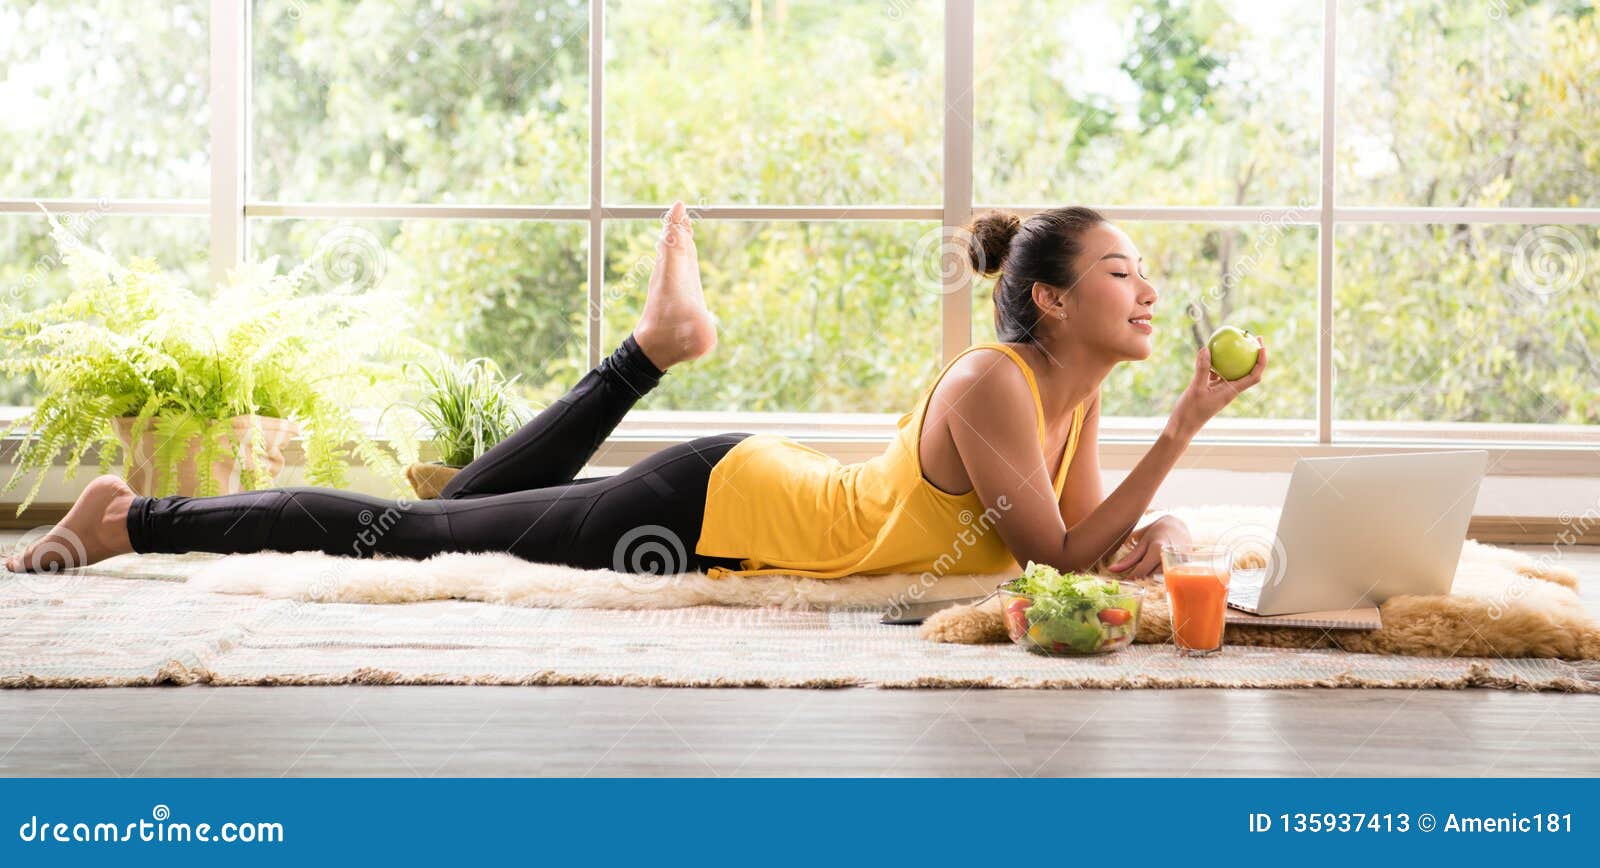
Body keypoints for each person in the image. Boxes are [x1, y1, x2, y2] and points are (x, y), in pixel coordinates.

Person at [5, 202, 1264, 581]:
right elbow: (1047, 556)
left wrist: (1145, 530)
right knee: (408, 541)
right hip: (710, 506)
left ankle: (657, 347)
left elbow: (1078, 556)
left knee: (429, 533)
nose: (1147, 294)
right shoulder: (996, 381)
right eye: (1121, 273)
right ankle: (130, 518)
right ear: (1049, 298)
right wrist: (1187, 431)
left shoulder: (1068, 396)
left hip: (740, 494)